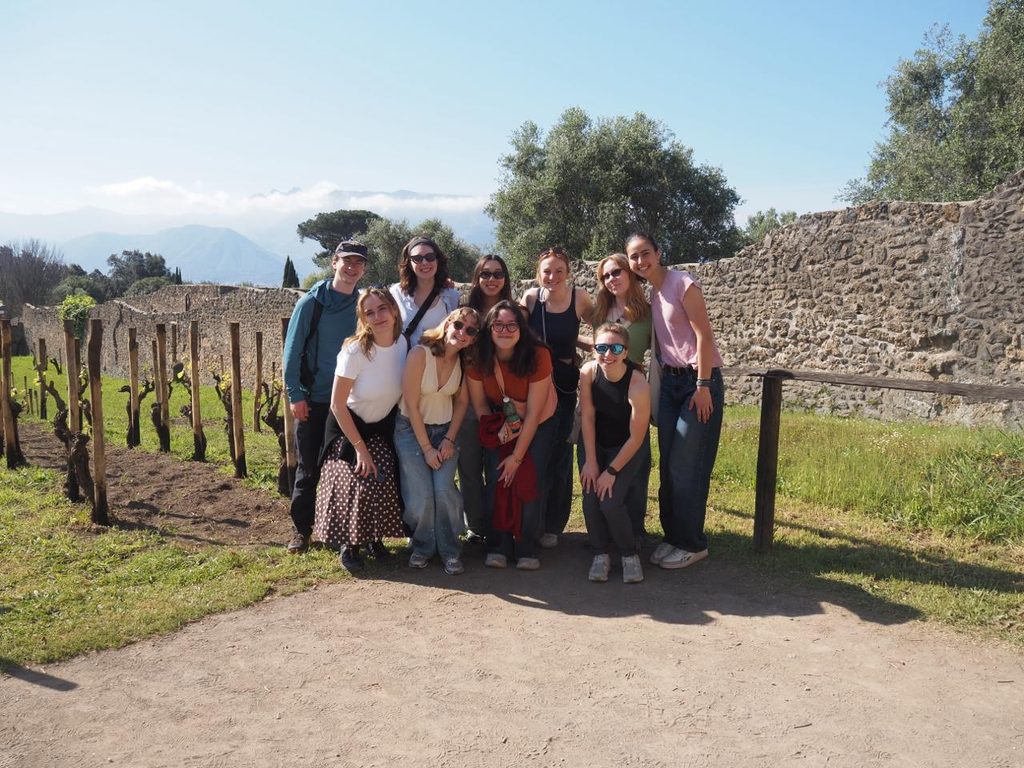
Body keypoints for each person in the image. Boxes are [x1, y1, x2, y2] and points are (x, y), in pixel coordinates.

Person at [625, 231, 725, 570]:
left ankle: (693, 543)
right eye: (634, 257)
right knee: (669, 465)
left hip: (696, 383)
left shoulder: (683, 283)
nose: (640, 261)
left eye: (645, 253)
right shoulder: (652, 295)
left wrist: (703, 384)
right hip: (669, 384)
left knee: (687, 465)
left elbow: (703, 335)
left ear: (658, 251)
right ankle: (673, 537)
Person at [281, 241, 367, 554]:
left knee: (346, 466)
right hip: (315, 398)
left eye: (358, 263)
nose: (352, 267)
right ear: (334, 262)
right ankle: (301, 530)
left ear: (364, 269)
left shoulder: (363, 304)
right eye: (347, 261)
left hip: (349, 401)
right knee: (308, 467)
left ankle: (343, 529)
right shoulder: (312, 303)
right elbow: (291, 350)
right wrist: (295, 393)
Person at [314, 287, 407, 573]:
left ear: (393, 310)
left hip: (380, 426)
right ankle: (349, 544)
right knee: (356, 479)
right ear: (363, 319)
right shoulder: (355, 350)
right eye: (370, 312)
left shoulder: (402, 343)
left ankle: (374, 540)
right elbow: (337, 405)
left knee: (384, 477)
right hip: (347, 428)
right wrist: (359, 449)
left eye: (382, 309)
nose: (378, 316)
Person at [466, 300, 557, 570]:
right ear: (489, 328)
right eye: (498, 325)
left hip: (538, 421)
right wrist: (496, 430)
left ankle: (527, 545)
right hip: (500, 420)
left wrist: (517, 457)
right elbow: (480, 404)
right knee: (496, 478)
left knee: (527, 477)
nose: (505, 330)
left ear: (521, 328)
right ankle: (498, 545)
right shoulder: (476, 356)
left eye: (511, 325)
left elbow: (536, 410)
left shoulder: (538, 354)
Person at [395, 307, 481, 575]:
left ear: (475, 338)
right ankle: (422, 546)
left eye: (470, 330)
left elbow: (463, 402)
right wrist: (426, 448)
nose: (462, 333)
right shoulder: (420, 354)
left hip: (444, 430)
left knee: (444, 491)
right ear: (447, 324)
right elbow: (410, 401)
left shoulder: (464, 362)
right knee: (421, 494)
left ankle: (449, 549)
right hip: (411, 430)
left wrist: (448, 439)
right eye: (458, 325)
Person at [522, 246, 593, 548]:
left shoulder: (580, 298)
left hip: (564, 385)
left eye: (558, 271)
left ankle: (553, 524)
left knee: (560, 454)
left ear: (568, 273)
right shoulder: (529, 299)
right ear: (538, 274)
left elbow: (602, 325)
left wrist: (597, 349)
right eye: (547, 271)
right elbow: (518, 336)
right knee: (535, 452)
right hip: (534, 385)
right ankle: (532, 522)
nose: (552, 276)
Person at [578, 323, 651, 583]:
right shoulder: (588, 372)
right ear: (593, 348)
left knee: (609, 501)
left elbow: (637, 436)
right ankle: (600, 554)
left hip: (627, 447)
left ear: (625, 352)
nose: (607, 354)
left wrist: (610, 471)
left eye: (615, 348)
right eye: (601, 347)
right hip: (594, 443)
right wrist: (591, 461)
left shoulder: (638, 382)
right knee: (590, 497)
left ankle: (628, 554)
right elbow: (587, 417)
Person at [591, 253, 653, 543]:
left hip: (633, 392)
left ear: (630, 273)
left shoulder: (647, 313)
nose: (611, 279)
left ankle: (634, 535)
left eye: (616, 272)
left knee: (636, 473)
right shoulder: (599, 310)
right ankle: (601, 539)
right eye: (605, 276)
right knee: (595, 462)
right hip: (602, 392)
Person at [457, 255, 513, 542]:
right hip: (467, 400)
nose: (492, 279)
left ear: (506, 278)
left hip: (504, 403)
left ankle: (496, 529)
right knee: (468, 467)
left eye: (498, 273)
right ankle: (476, 528)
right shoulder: (465, 314)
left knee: (496, 469)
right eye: (485, 274)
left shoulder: (514, 312)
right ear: (477, 278)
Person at [389, 235, 461, 346]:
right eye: (417, 258)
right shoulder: (396, 294)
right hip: (404, 362)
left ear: (437, 260)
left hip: (439, 361)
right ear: (409, 263)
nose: (424, 262)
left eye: (430, 257)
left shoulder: (452, 297)